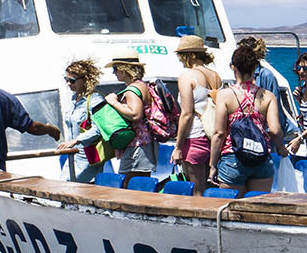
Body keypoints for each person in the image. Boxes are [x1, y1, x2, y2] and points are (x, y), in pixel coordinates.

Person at [209, 42, 283, 194]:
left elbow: (219, 133)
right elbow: (275, 130)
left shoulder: (224, 95)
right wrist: (281, 148)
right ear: (255, 67)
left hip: (233, 158)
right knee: (258, 210)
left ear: (232, 67)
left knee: (231, 211)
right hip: (260, 158)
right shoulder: (268, 97)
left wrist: (212, 164)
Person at [171, 33, 222, 192]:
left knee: (196, 192)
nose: (180, 59)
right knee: (209, 188)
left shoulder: (187, 77)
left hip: (194, 138)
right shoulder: (216, 76)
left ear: (191, 55)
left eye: (182, 55)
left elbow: (186, 114)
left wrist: (178, 147)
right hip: (213, 138)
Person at [102, 56, 159, 179]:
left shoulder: (132, 90)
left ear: (124, 69)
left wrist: (114, 102)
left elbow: (135, 114)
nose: (114, 72)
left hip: (137, 145)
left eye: (115, 68)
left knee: (130, 185)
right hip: (145, 143)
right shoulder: (142, 85)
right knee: (141, 184)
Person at [56, 59, 110, 183]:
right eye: (66, 80)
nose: (69, 84)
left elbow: (99, 128)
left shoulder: (95, 99)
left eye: (72, 81)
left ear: (85, 80)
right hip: (73, 154)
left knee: (67, 184)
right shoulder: (74, 99)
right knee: (65, 185)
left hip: (89, 154)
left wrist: (76, 140)